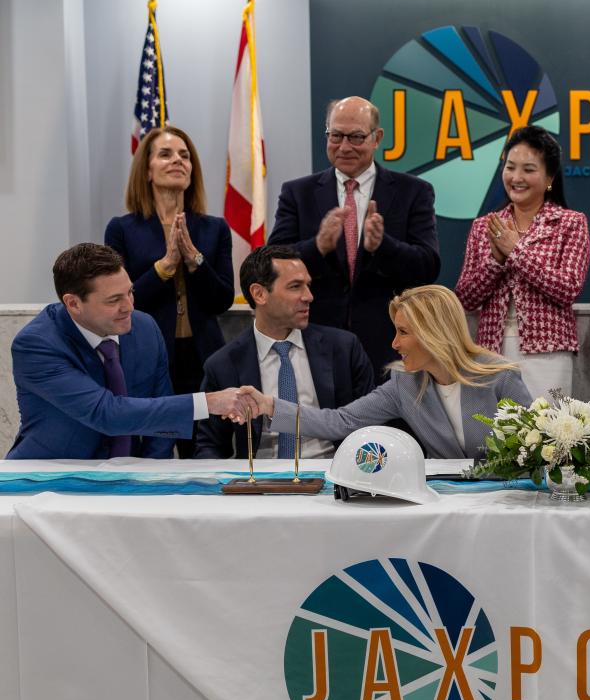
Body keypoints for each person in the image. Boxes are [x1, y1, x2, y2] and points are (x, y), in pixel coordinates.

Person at [8, 244, 251, 460]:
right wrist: (207, 402)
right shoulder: (36, 344)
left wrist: (147, 475)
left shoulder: (145, 327)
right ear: (73, 303)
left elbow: (159, 409)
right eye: (114, 300)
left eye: (130, 292)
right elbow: (107, 414)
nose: (129, 307)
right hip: (49, 477)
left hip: (130, 474)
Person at [241, 285, 531, 460]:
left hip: (503, 501)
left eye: (403, 332)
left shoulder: (500, 377)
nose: (394, 344)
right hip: (442, 502)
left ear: (434, 333)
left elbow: (537, 447)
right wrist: (268, 406)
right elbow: (340, 421)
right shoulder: (403, 384)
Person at [269, 96, 440, 382]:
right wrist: (318, 247)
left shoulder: (414, 192)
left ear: (377, 138)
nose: (344, 146)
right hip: (316, 342)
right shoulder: (297, 193)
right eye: (336, 136)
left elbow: (428, 267)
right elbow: (272, 264)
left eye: (356, 137)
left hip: (389, 346)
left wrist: (383, 247)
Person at [105, 126, 235, 456]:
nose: (177, 160)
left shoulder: (214, 228)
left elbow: (221, 299)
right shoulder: (122, 229)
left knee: (207, 457)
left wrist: (194, 260)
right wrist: (164, 266)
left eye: (185, 155)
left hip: (203, 358)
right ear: (146, 169)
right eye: (165, 154)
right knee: (149, 458)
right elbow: (119, 301)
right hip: (146, 358)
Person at [194, 246, 375, 460]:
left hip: (332, 475)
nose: (309, 296)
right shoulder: (222, 365)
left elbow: (370, 427)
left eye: (308, 285)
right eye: (295, 287)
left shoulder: (344, 349)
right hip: (258, 482)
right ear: (259, 294)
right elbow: (209, 447)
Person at [455, 125, 589, 399]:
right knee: (495, 437)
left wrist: (515, 251)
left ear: (549, 177)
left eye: (528, 169)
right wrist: (496, 260)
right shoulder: (484, 226)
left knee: (546, 437)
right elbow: (465, 298)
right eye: (510, 167)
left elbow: (567, 289)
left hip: (548, 352)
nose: (516, 177)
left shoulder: (571, 223)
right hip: (492, 350)